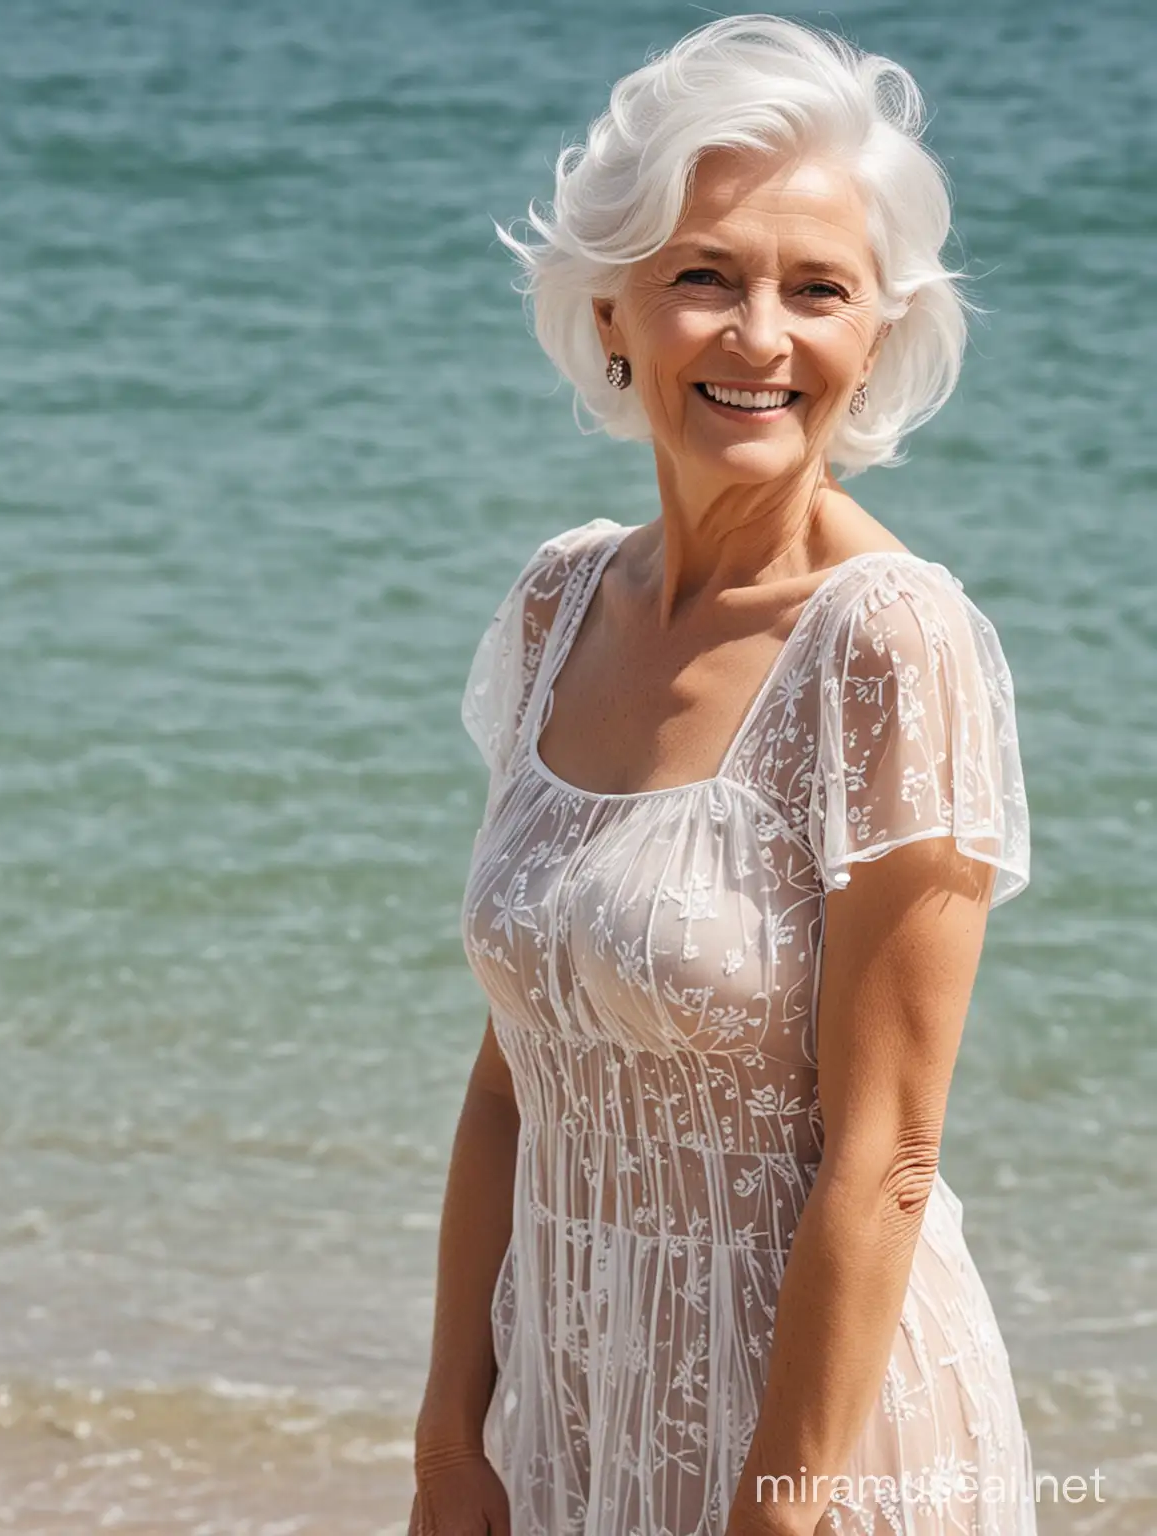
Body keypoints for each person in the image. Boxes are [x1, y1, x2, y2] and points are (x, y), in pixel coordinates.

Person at [408, 15, 1037, 1536]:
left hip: (822, 1452)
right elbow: (513, 1080)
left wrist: (776, 1517)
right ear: (613, 310)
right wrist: (450, 1441)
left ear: (874, 335)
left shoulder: (890, 645)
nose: (762, 336)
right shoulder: (563, 605)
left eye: (817, 290)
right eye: (708, 276)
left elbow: (884, 1159)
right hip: (570, 1417)